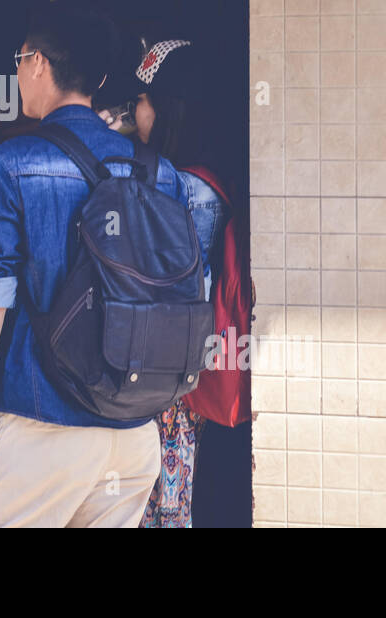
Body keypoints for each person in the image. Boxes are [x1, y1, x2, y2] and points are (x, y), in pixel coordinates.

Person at [0, 4, 205, 528]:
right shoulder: (161, 175)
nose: (18, 72)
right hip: (135, 437)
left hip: (43, 431)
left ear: (39, 63)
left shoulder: (12, 162)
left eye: (20, 60)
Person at [101, 38, 229, 529]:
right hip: (167, 374)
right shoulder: (186, 177)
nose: (136, 111)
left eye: (143, 101)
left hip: (165, 377)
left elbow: (176, 289)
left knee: (162, 507)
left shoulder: (189, 189)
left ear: (172, 108)